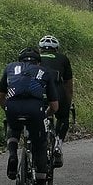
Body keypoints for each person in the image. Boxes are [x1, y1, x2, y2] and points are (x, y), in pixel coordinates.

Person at [0, 47, 59, 185]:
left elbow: (0, 97)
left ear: (20, 60)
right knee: (40, 146)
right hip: (35, 108)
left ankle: (12, 154)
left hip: (12, 105)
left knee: (14, 128)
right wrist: (45, 114)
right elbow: (54, 106)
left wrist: (8, 109)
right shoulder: (44, 72)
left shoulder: (10, 68)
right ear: (38, 62)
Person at [37, 34, 74, 167]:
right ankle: (58, 145)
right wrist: (68, 101)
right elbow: (68, 84)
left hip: (38, 91)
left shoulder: (36, 58)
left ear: (40, 49)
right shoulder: (63, 59)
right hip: (57, 91)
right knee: (63, 117)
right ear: (56, 49)